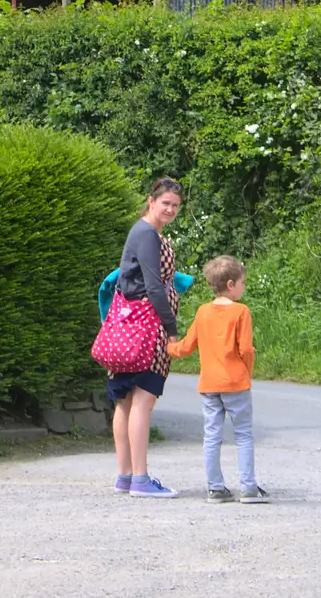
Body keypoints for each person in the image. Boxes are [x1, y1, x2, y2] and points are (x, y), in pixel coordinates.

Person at [167, 254, 269, 504]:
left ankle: (215, 488)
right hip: (236, 383)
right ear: (231, 285)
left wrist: (168, 348)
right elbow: (245, 349)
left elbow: (187, 346)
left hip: (209, 385)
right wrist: (247, 371)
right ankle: (248, 488)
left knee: (212, 435)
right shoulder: (241, 312)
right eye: (243, 282)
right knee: (243, 434)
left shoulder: (203, 312)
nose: (244, 287)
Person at [109, 176, 183, 498]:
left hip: (127, 325)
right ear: (151, 201)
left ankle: (125, 476)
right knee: (143, 399)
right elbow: (152, 286)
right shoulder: (148, 235)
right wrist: (171, 329)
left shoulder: (142, 231)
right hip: (146, 327)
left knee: (125, 400)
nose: (170, 209)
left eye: (175, 206)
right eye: (165, 203)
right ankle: (140, 479)